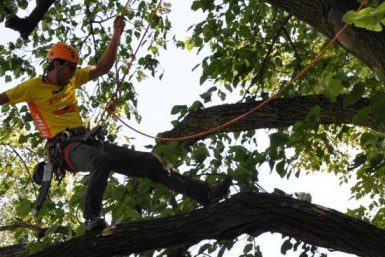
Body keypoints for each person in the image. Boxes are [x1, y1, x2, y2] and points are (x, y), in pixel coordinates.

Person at [0, 16, 232, 232]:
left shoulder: (73, 79)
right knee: (101, 161)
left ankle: (205, 194)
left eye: (74, 70)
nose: (73, 74)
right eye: (69, 69)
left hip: (88, 141)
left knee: (151, 162)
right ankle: (92, 217)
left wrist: (117, 35)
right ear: (54, 65)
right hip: (66, 149)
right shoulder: (31, 88)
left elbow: (102, 67)